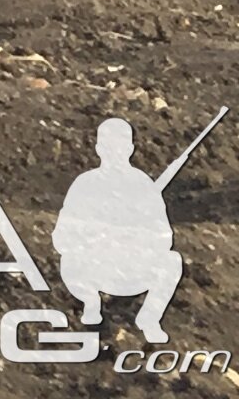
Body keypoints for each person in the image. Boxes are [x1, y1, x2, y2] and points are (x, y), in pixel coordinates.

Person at [53, 119, 186, 343]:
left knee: (172, 261)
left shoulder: (143, 185)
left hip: (132, 267)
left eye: (120, 147)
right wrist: (95, 236)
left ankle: (149, 318)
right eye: (108, 147)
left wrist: (134, 237)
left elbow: (164, 237)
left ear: (130, 149)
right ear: (98, 149)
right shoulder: (85, 184)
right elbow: (62, 236)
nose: (114, 153)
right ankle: (90, 302)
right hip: (94, 267)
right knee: (69, 261)